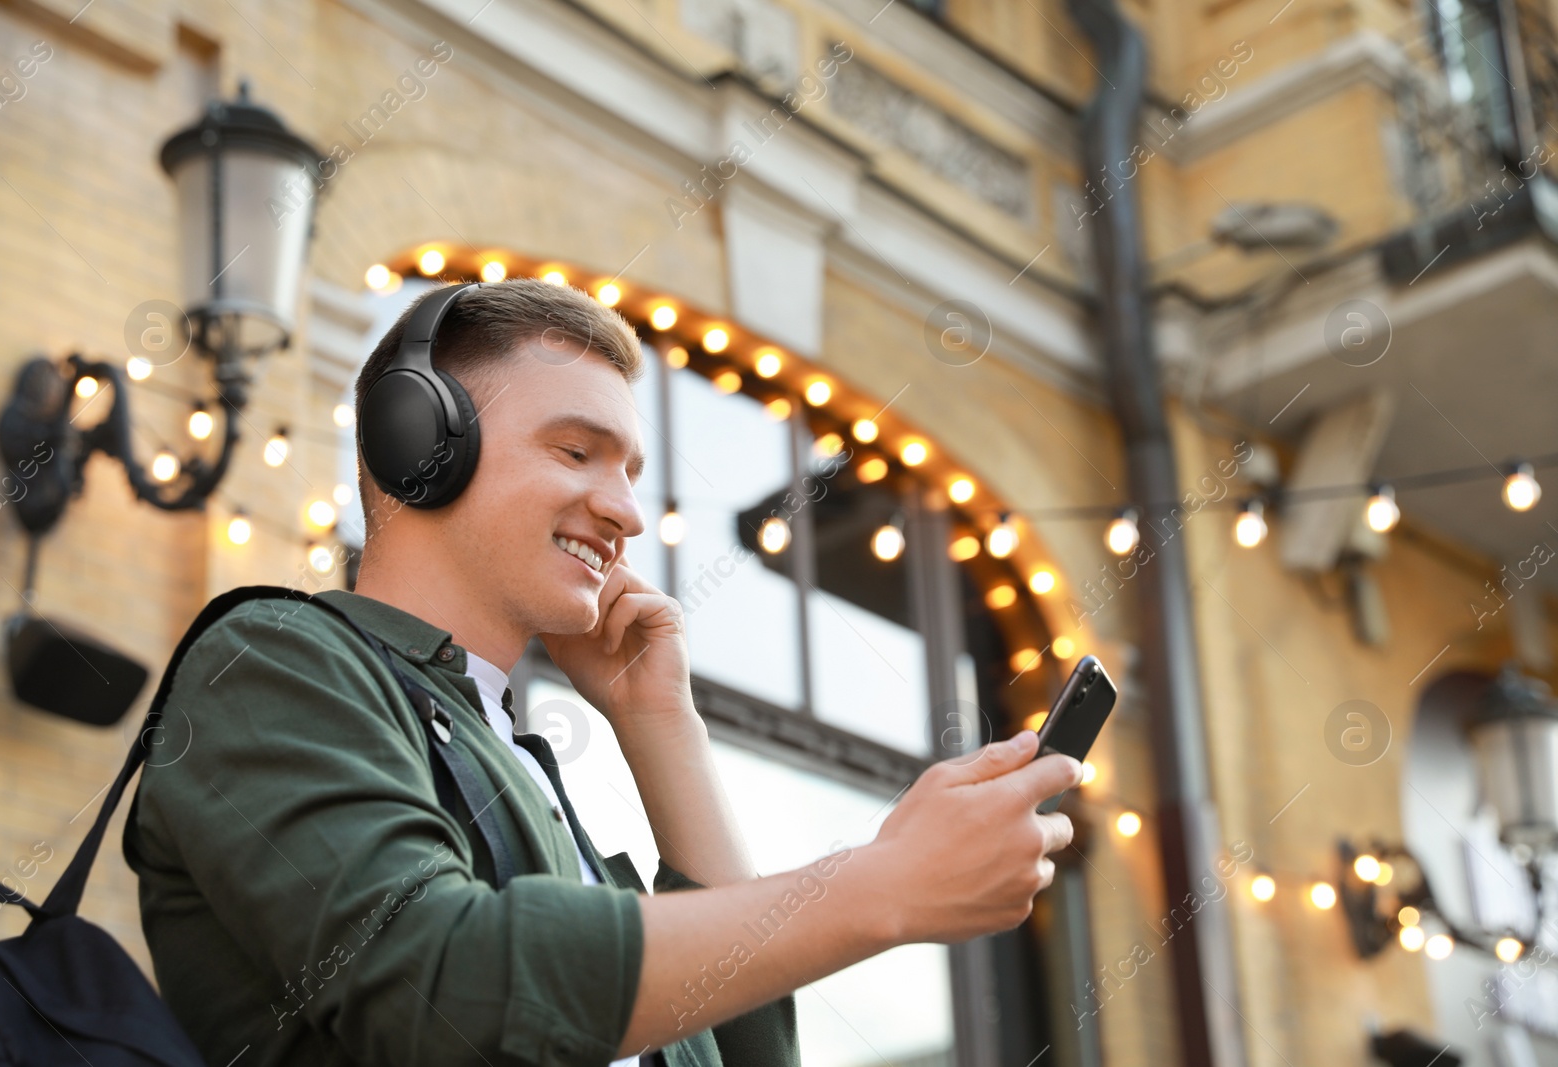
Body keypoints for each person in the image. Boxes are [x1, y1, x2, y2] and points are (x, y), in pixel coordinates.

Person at [122, 278, 1081, 1067]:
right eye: (579, 451)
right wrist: (880, 886)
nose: (624, 509)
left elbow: (748, 1057)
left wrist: (665, 731)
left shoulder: (521, 762)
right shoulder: (274, 661)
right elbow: (441, 986)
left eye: (631, 470)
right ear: (422, 443)